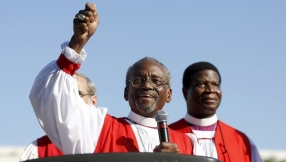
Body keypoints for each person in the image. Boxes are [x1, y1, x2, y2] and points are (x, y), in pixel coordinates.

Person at [29, 2, 193, 157]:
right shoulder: (97, 128)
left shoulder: (191, 145)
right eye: (137, 80)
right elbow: (53, 98)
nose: (147, 86)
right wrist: (77, 44)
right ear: (126, 92)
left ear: (170, 94)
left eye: (156, 81)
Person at [169, 61, 263, 162]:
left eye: (215, 84)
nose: (210, 90)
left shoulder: (243, 142)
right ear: (185, 92)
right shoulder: (167, 136)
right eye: (201, 84)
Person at [20, 73, 97, 161]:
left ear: (93, 101)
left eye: (78, 93)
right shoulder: (38, 150)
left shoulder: (112, 138)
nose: (71, 101)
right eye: (64, 95)